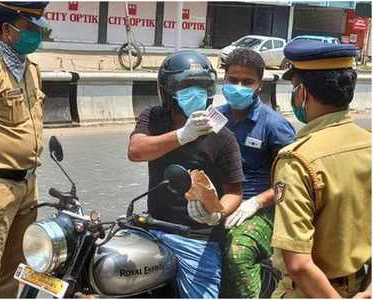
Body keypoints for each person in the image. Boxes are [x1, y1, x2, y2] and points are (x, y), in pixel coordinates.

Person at [127, 50, 244, 298]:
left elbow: (235, 192)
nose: (196, 93)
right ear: (166, 90)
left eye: (202, 87)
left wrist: (216, 213)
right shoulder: (154, 117)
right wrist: (182, 136)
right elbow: (136, 151)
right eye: (186, 86)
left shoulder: (222, 136)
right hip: (152, 226)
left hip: (196, 238)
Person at [270, 40, 371, 298]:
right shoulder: (368, 144)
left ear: (302, 94)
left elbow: (299, 265)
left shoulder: (298, 159)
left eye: (294, 88)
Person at [0, 2, 49, 298]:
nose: (37, 35)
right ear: (7, 31)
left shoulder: (32, 70)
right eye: (30, 28)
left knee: (13, 271)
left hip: (28, 187)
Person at [216, 48, 296, 298]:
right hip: (219, 204)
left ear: (259, 84)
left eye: (247, 82)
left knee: (238, 253)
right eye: (232, 80)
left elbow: (292, 182)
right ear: (224, 80)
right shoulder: (215, 118)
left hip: (260, 210)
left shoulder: (274, 125)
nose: (238, 86)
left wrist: (256, 202)